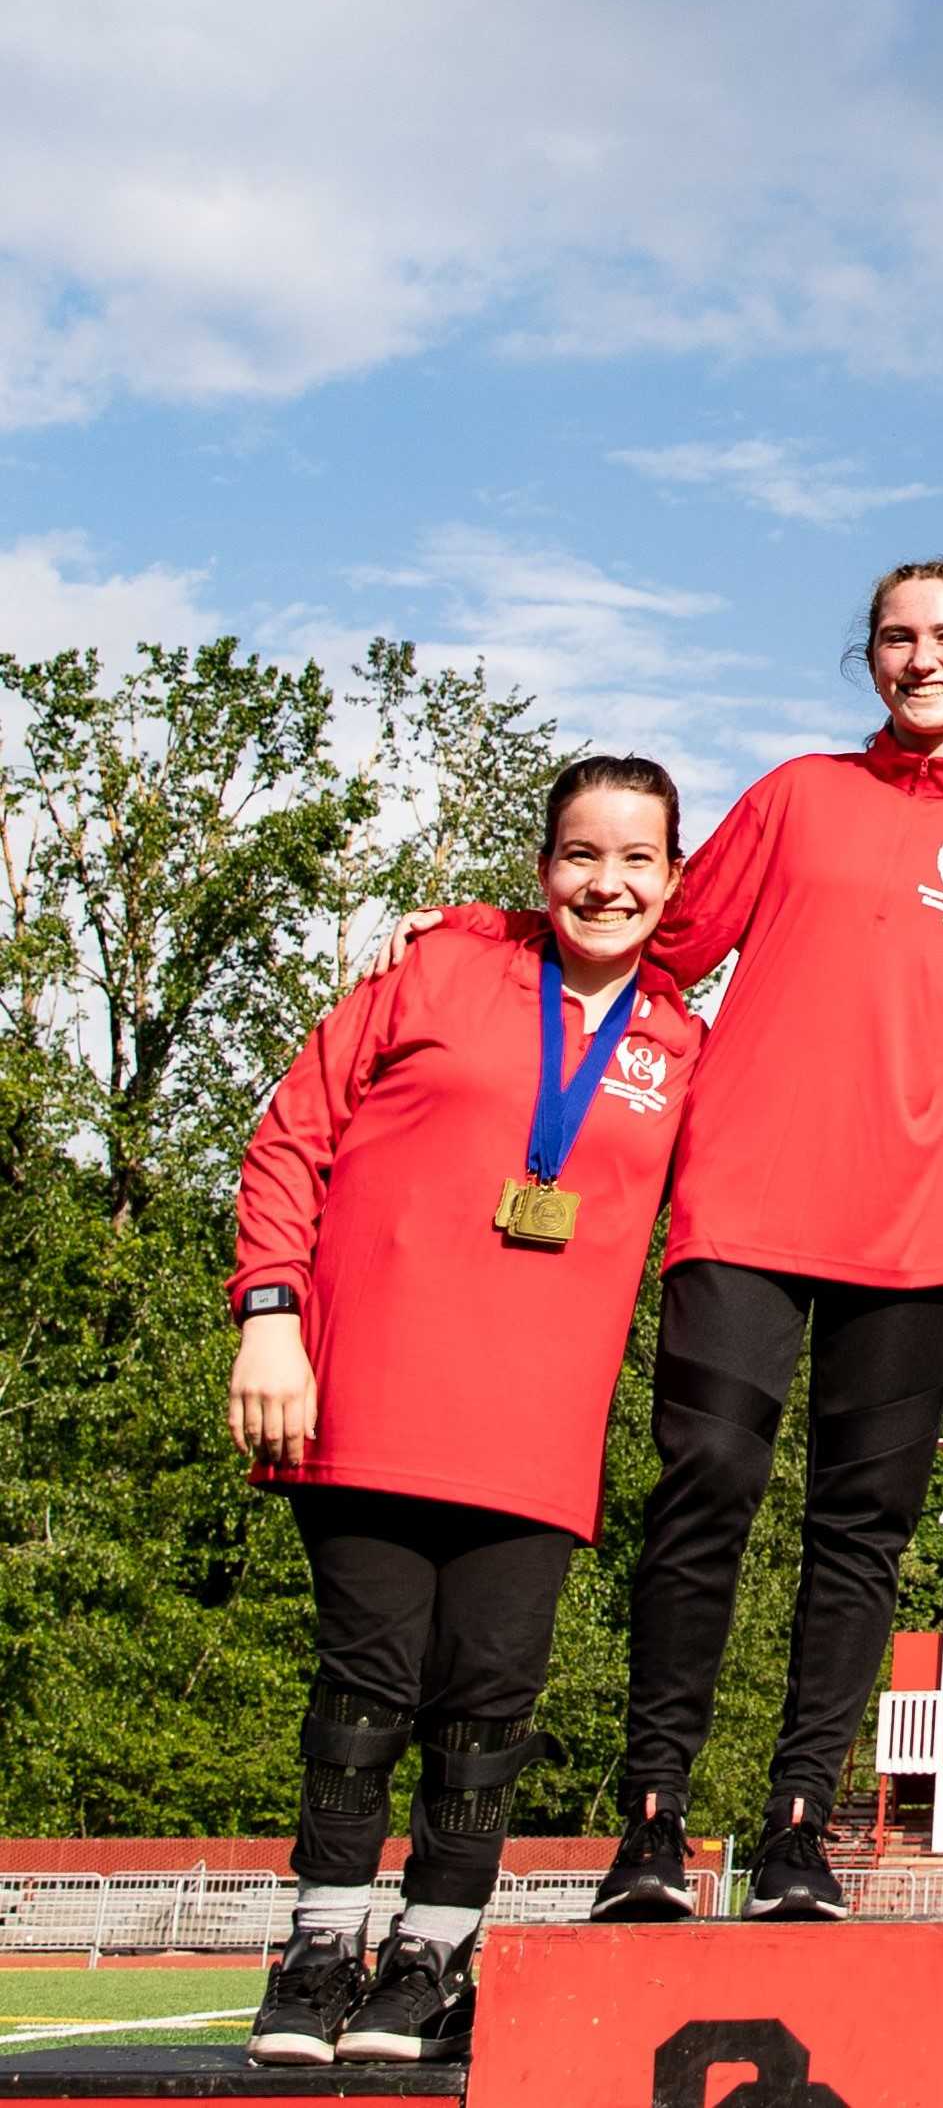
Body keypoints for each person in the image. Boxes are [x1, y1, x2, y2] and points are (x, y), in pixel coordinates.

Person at [376, 561, 943, 1920]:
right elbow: (646, 937)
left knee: (860, 1528)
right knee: (707, 1487)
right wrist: (485, 932)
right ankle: (653, 1823)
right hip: (740, 1199)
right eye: (896, 638)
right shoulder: (797, 796)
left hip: (912, 1227)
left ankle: (798, 1827)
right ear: (869, 660)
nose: (922, 659)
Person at [231, 758, 700, 2065]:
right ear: (540, 865)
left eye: (636, 858)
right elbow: (289, 1137)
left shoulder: (682, 1043)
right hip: (369, 1391)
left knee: (487, 1701)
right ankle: (319, 1945)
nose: (606, 881)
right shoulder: (436, 965)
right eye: (580, 854)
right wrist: (268, 1312)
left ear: (673, 877)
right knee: (365, 1682)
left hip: (534, 1437)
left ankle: (430, 1956)